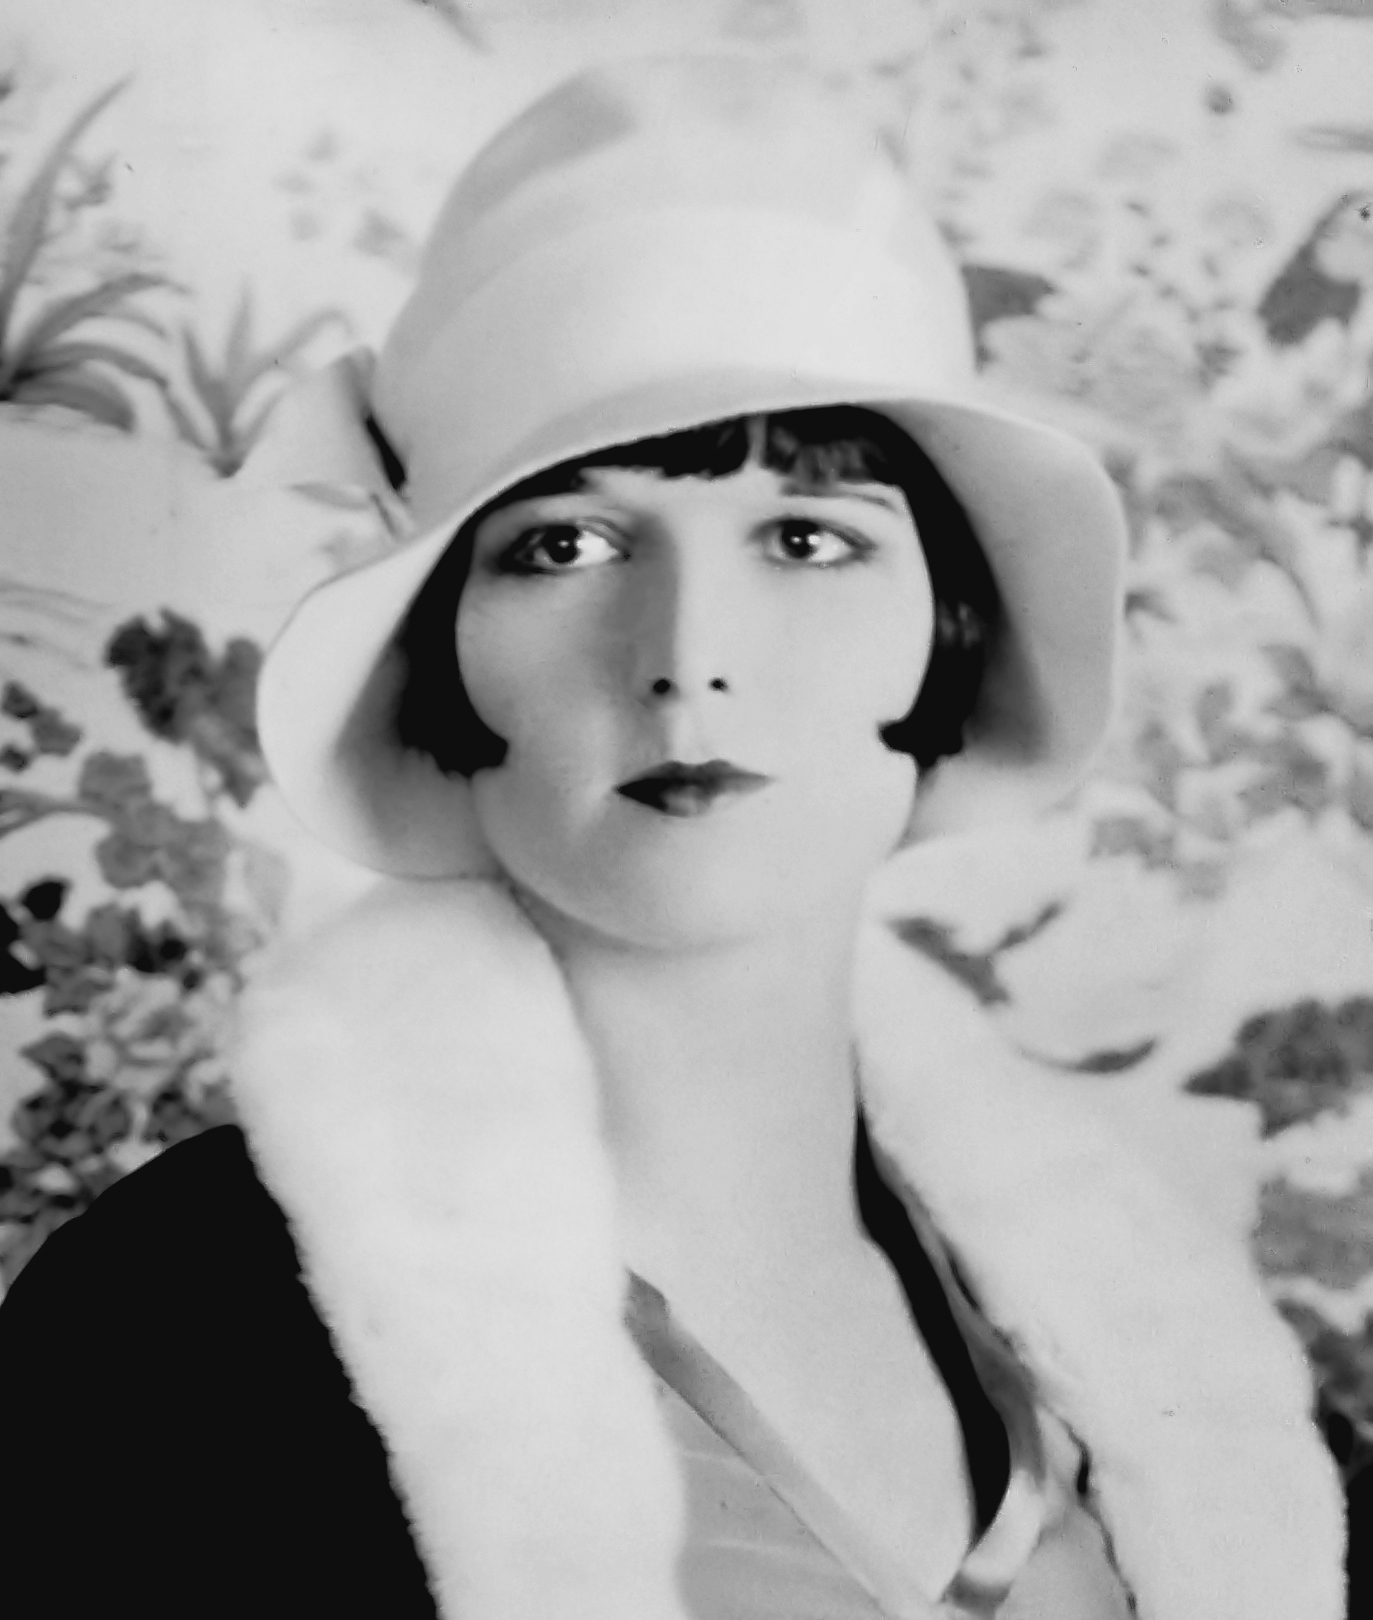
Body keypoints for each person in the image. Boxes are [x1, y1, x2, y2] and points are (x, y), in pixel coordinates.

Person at [0, 55, 1344, 1620]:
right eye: (565, 544)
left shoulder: (1180, 1362)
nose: (686, 653)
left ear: (949, 634)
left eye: (807, 538)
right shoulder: (177, 1322)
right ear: (438, 654)